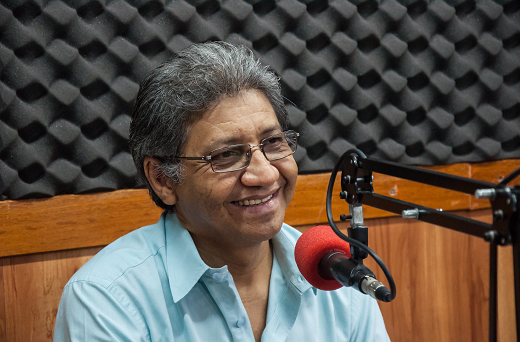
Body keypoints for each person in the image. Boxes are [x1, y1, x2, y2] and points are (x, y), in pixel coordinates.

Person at [54, 41, 390, 342]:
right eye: (225, 155)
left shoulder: (337, 278)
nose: (264, 173)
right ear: (162, 179)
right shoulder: (107, 299)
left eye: (273, 142)